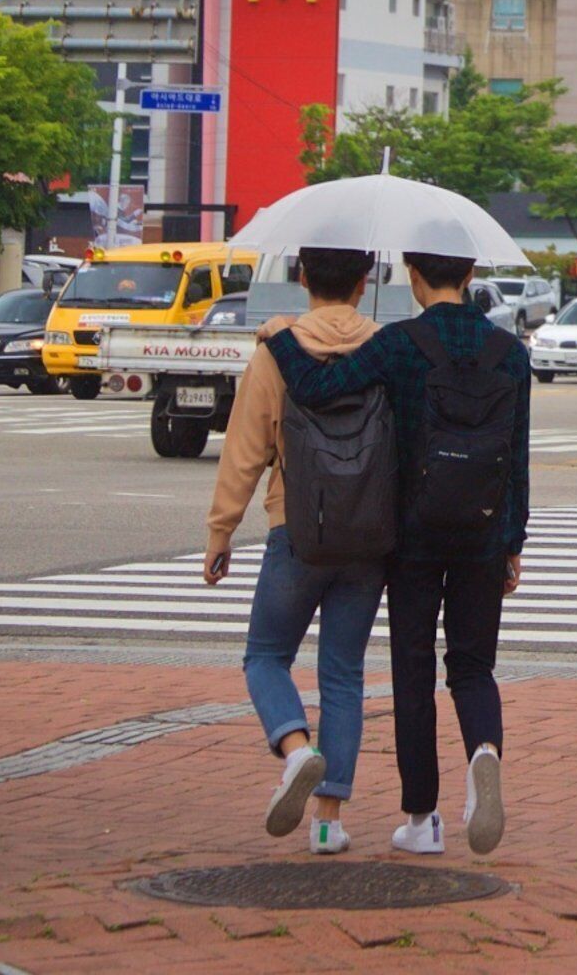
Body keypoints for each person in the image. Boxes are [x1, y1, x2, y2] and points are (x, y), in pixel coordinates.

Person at [267, 244, 532, 856]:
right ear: (470, 275)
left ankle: (422, 821)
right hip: (484, 532)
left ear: (413, 276)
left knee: (413, 673)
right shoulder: (510, 355)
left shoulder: (398, 344)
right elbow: (516, 455)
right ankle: (484, 754)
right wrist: (513, 541)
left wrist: (280, 336)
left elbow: (315, 386)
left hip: (411, 535)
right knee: (472, 666)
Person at [201, 246, 384, 854]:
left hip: (296, 528)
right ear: (364, 283)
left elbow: (244, 449)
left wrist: (221, 530)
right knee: (343, 674)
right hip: (367, 533)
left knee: (265, 655)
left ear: (302, 278)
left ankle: (295, 750)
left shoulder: (276, 351)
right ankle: (328, 823)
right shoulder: (386, 349)